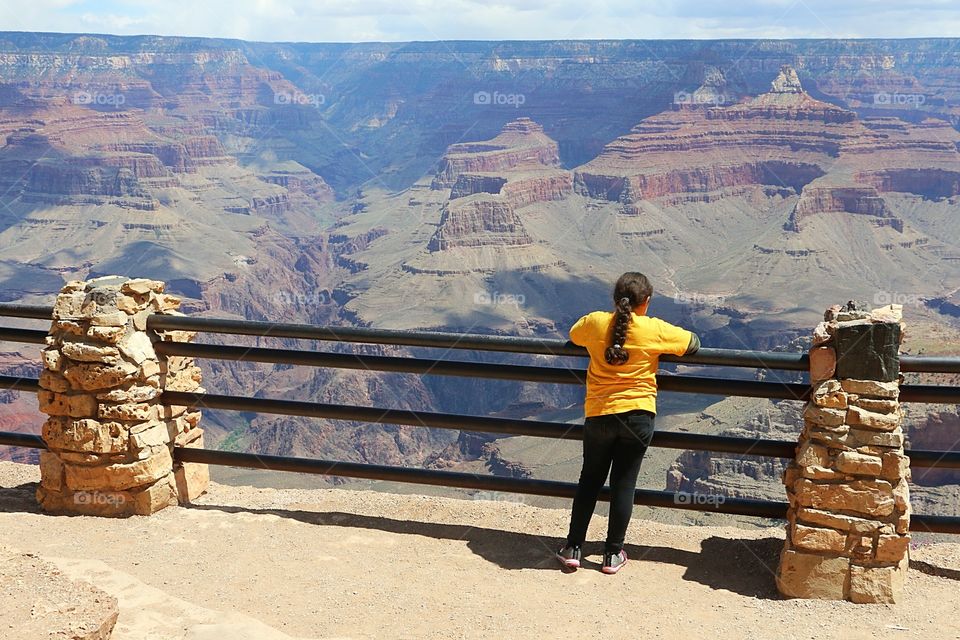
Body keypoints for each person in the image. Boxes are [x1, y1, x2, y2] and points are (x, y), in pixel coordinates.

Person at [556, 272, 700, 574]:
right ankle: (612, 554)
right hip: (638, 416)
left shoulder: (595, 322)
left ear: (615, 299)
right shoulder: (654, 329)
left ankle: (573, 547)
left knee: (589, 481)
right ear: (646, 302)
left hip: (599, 415)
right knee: (624, 484)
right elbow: (693, 343)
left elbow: (573, 334)